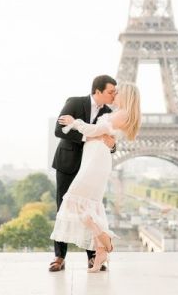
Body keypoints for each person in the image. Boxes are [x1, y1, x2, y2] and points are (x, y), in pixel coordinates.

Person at [51, 82, 141, 273]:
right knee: (81, 203)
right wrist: (90, 136)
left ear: (126, 95)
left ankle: (102, 244)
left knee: (78, 202)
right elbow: (58, 131)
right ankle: (72, 255)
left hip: (95, 162)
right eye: (111, 91)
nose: (113, 94)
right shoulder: (75, 102)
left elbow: (109, 140)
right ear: (98, 91)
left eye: (116, 92)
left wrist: (75, 123)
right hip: (72, 161)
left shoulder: (116, 112)